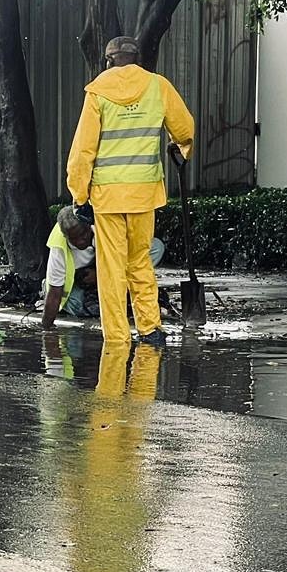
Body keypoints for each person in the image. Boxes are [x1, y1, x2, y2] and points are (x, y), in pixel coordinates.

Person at [66, 36, 194, 345]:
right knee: (139, 261)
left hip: (107, 197)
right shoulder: (158, 86)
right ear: (138, 59)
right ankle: (150, 329)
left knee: (111, 269)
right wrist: (179, 148)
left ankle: (118, 336)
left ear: (108, 61)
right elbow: (185, 129)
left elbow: (83, 150)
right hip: (143, 193)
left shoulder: (97, 92)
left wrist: (79, 195)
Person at [41, 204, 166, 330]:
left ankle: (122, 288)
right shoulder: (59, 248)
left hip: (108, 274)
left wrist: (99, 274)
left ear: (88, 225)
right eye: (74, 239)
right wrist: (46, 328)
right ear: (66, 237)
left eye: (84, 233)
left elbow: (123, 253)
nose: (81, 241)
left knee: (155, 248)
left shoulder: (103, 226)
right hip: (79, 288)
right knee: (80, 304)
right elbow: (55, 292)